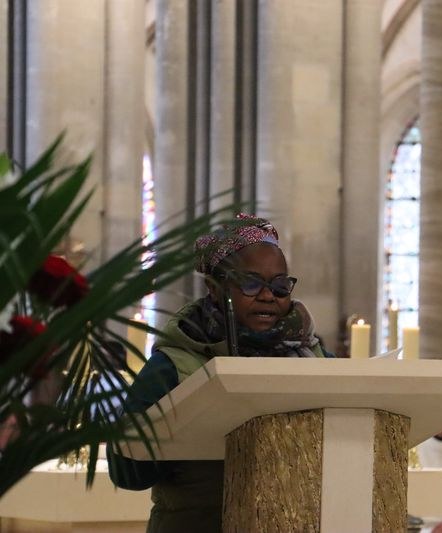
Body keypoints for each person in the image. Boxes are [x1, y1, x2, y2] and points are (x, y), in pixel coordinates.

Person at [107, 214, 330, 533]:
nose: (268, 296)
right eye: (251, 283)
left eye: (280, 286)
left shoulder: (316, 358)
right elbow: (127, 472)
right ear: (214, 289)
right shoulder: (174, 366)